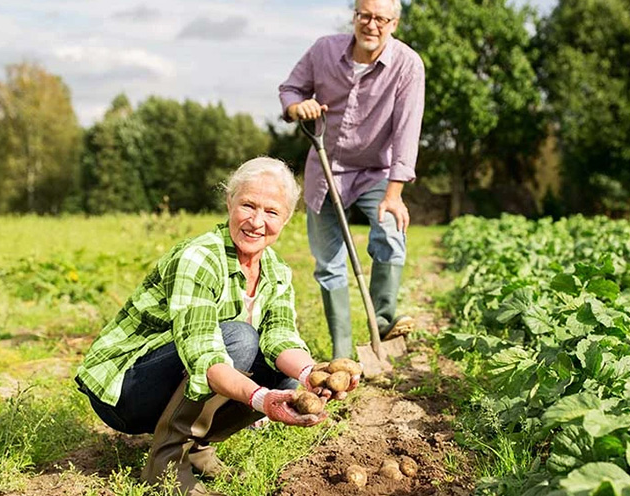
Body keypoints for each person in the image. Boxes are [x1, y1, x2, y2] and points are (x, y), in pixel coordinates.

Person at [75, 157, 357, 496]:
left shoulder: (277, 270)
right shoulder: (200, 257)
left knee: (286, 374)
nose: (256, 221)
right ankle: (165, 464)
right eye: (248, 206)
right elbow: (204, 356)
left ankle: (197, 448)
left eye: (271, 212)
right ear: (229, 203)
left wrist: (312, 373)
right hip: (124, 389)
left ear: (286, 219)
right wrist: (261, 400)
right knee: (239, 339)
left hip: (176, 375)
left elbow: (281, 336)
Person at [278, 0, 425, 359]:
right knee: (329, 264)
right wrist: (298, 108)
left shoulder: (407, 64)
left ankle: (385, 322)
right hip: (325, 170)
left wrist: (395, 193)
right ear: (355, 17)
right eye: (364, 15)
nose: (371, 25)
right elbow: (291, 89)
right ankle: (342, 353)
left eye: (380, 18)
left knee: (390, 231)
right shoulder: (323, 50)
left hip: (376, 171)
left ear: (394, 23)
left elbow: (407, 129)